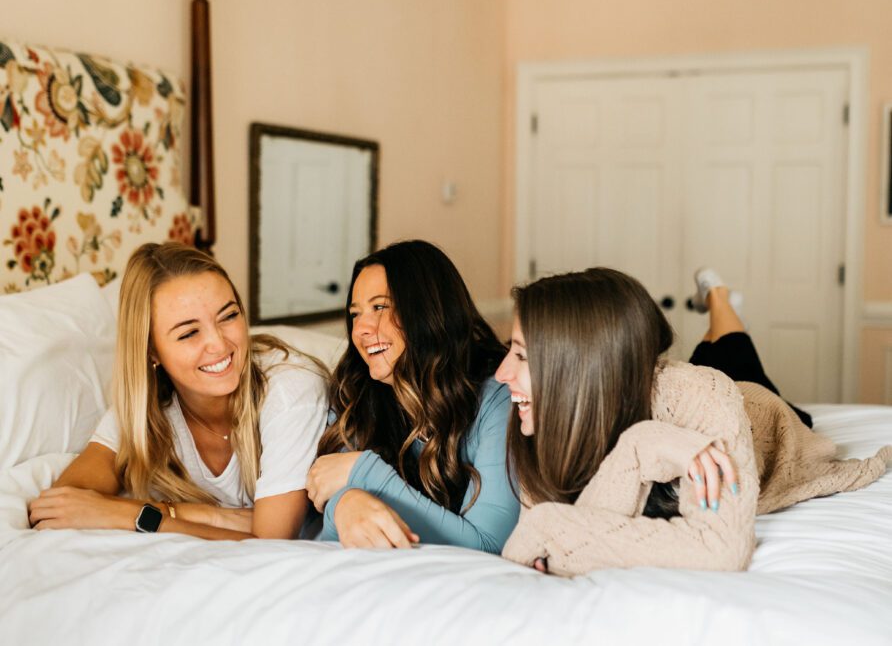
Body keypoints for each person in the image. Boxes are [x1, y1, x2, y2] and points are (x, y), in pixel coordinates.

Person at [495, 267, 891, 576]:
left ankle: (718, 297)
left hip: (760, 413)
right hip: (647, 395)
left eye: (523, 356)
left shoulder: (704, 396)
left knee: (732, 347)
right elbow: (555, 538)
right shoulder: (541, 415)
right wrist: (640, 445)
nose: (501, 374)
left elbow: (721, 549)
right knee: (716, 354)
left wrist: (553, 529)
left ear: (580, 367)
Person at [28, 242, 329, 540]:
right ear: (151, 351)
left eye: (228, 316)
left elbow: (270, 543)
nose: (219, 344)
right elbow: (63, 503)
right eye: (188, 333)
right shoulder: (147, 407)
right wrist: (216, 515)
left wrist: (141, 515)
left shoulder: (291, 388)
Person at [304, 240, 519, 552]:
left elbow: (487, 545)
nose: (361, 329)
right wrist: (346, 503)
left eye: (379, 307)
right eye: (355, 313)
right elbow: (319, 533)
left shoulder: (497, 396)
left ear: (428, 312)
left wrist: (363, 473)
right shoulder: (355, 393)